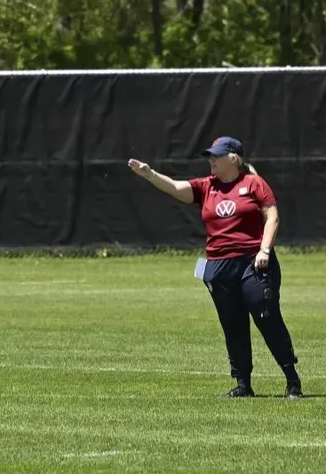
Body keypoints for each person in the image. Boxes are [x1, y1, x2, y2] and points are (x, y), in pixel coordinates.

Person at [128, 136, 303, 399]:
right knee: (232, 325)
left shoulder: (253, 183)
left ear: (233, 159)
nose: (211, 160)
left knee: (266, 316)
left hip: (253, 262)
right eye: (210, 156)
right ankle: (243, 384)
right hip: (219, 266)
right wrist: (149, 174)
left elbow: (272, 216)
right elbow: (177, 188)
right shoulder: (206, 186)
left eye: (216, 156)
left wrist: (264, 250)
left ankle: (292, 381)